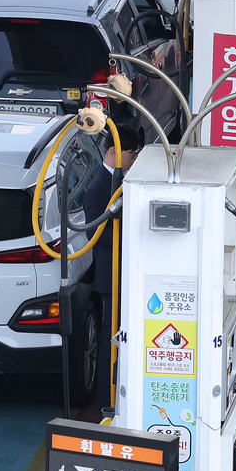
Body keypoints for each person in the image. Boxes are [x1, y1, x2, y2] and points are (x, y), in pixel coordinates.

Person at [81, 123, 144, 409]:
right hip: (111, 277)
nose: (134, 158)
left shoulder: (121, 181)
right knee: (110, 340)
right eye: (132, 152)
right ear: (113, 152)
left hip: (124, 272)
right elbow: (98, 235)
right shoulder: (97, 190)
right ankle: (107, 402)